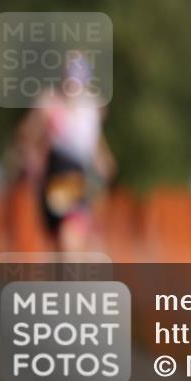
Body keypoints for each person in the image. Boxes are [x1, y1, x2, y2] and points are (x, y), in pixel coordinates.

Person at [11, 50, 116, 252]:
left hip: (77, 174)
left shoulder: (92, 107)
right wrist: (32, 155)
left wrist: (103, 160)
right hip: (54, 173)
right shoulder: (50, 104)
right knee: (59, 239)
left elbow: (92, 140)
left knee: (71, 233)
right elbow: (26, 135)